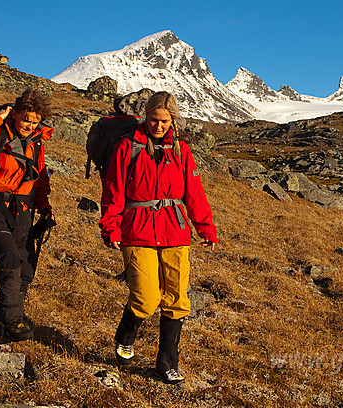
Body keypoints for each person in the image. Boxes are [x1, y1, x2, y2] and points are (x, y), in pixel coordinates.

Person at [99, 91, 217, 384]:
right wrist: (110, 227)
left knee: (177, 299)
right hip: (136, 230)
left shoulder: (182, 151)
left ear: (173, 121)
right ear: (145, 117)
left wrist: (206, 227)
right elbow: (113, 191)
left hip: (175, 231)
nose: (158, 126)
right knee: (146, 297)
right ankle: (125, 337)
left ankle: (166, 363)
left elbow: (194, 193)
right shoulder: (128, 147)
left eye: (164, 121)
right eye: (153, 120)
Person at [0, 89, 54, 343]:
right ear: (15, 113)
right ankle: (11, 319)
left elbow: (38, 178)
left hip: (22, 208)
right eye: (26, 119)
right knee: (10, 256)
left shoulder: (36, 143)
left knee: (26, 264)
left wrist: (44, 206)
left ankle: (12, 315)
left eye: (35, 121)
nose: (29, 125)